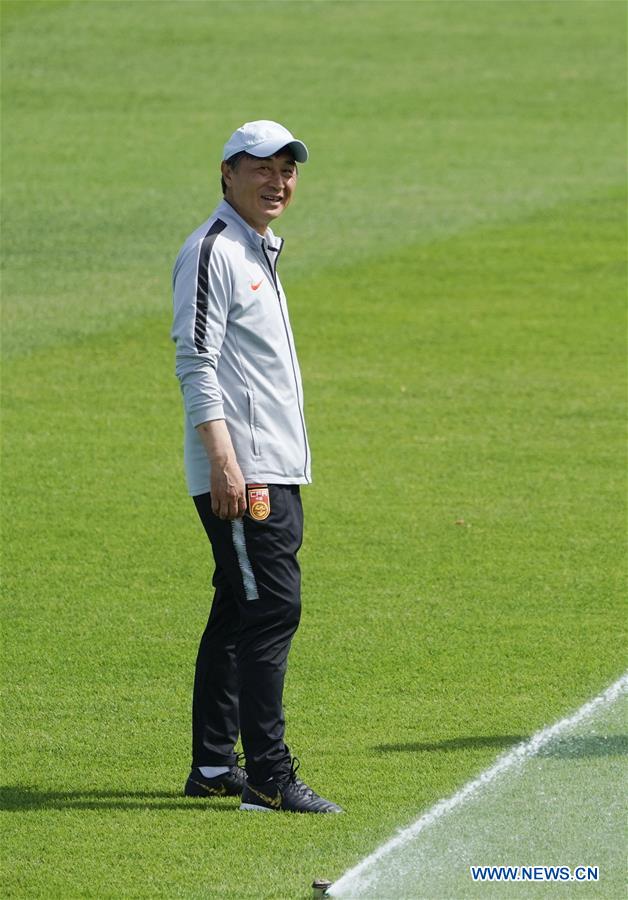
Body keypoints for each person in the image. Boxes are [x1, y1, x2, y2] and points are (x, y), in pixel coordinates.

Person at [171, 120, 342, 814]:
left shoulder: (257, 248)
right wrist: (225, 463)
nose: (278, 182)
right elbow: (194, 360)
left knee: (239, 609)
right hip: (247, 471)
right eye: (262, 169)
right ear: (226, 173)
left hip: (272, 464)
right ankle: (268, 776)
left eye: (288, 171)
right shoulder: (212, 250)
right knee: (272, 608)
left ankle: (215, 765)